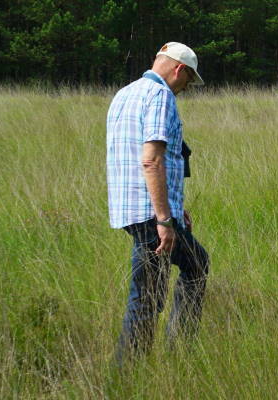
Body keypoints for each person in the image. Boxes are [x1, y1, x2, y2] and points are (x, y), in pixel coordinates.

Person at [105, 42, 209, 365]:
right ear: (179, 70)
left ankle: (151, 363)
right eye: (188, 81)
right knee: (149, 297)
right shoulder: (161, 96)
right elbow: (151, 161)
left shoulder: (125, 93)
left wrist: (174, 209)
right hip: (152, 216)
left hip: (132, 210)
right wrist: (165, 219)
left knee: (166, 282)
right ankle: (145, 367)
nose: (185, 89)